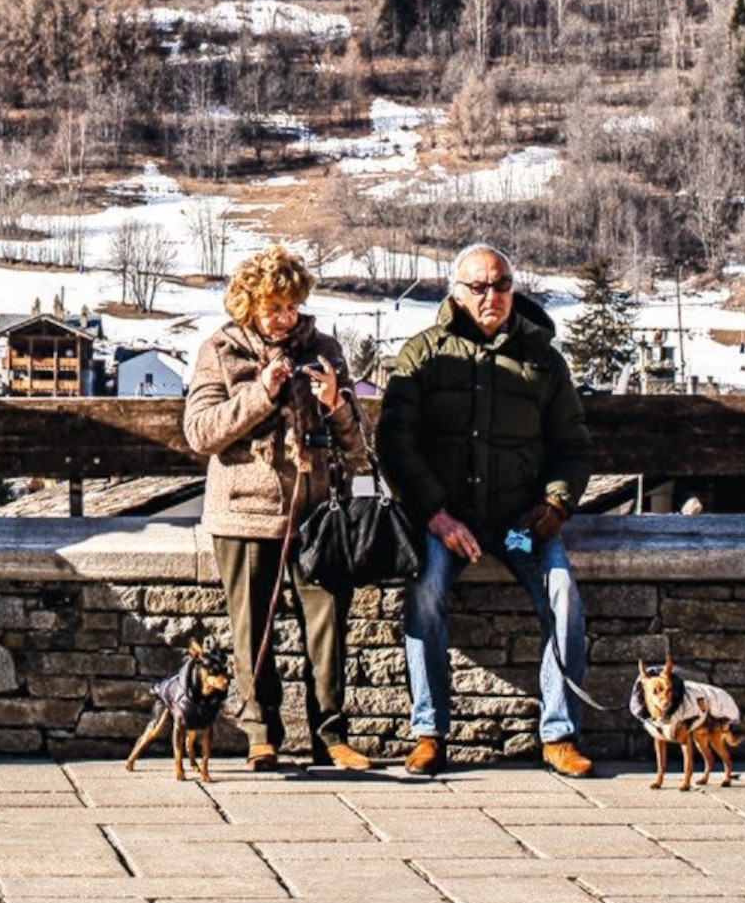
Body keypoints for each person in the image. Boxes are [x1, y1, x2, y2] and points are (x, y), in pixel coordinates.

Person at [379, 245, 594, 777]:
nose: (491, 296)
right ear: (456, 291)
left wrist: (556, 504)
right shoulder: (425, 353)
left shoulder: (543, 358)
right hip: (449, 519)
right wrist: (434, 513)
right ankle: (429, 731)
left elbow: (572, 444)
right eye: (478, 286)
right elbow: (396, 442)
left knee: (563, 595)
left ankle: (559, 735)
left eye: (501, 285)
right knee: (425, 589)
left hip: (520, 523)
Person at [182, 245, 371, 772]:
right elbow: (200, 432)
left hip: (318, 514)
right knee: (252, 630)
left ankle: (331, 736)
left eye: (291, 306)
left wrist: (336, 403)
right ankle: (261, 734)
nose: (285, 318)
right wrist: (261, 396)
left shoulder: (326, 348)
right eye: (273, 308)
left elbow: (359, 446)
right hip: (244, 513)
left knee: (328, 627)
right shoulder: (219, 351)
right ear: (248, 307)